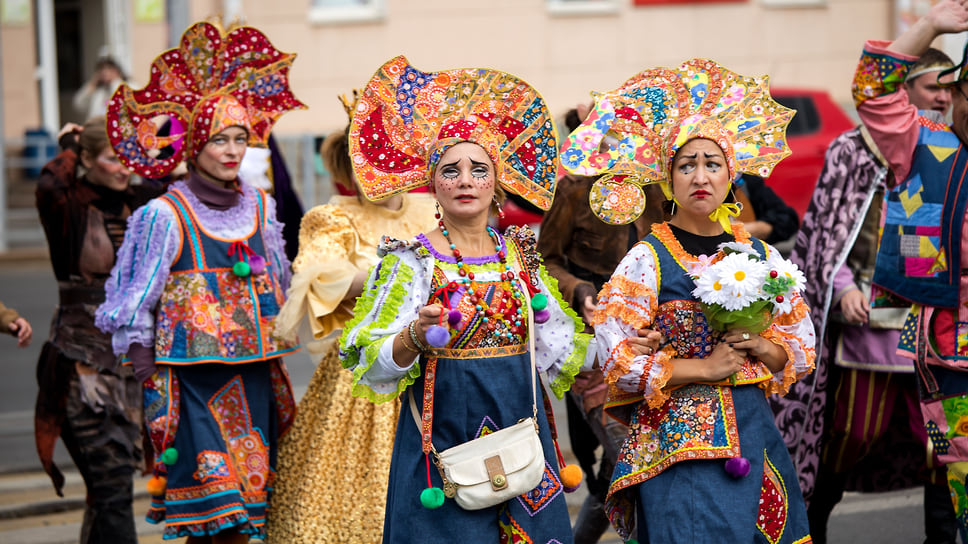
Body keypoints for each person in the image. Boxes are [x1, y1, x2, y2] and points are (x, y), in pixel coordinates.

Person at [338, 55, 598, 544]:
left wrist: (628, 344)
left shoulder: (519, 255)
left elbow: (560, 348)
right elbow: (368, 358)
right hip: (443, 455)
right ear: (432, 182)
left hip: (525, 446)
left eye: (478, 169)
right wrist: (413, 335)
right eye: (450, 169)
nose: (464, 180)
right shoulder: (412, 261)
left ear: (496, 183)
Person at [561, 59, 816, 542]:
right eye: (686, 165)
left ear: (731, 175)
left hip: (753, 431)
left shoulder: (759, 253)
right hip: (679, 441)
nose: (700, 175)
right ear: (668, 178)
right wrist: (704, 368)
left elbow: (799, 344)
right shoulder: (647, 257)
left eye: (712, 163)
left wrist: (761, 347)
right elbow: (616, 355)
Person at [94, 21, 305, 542]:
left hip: (254, 376)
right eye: (219, 140)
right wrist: (142, 363)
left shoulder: (261, 206)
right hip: (188, 381)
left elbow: (280, 282)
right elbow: (136, 297)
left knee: (247, 515)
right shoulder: (165, 215)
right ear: (193, 145)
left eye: (240, 139)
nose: (232, 151)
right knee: (215, 516)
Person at [773, 48, 957, 544]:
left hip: (940, 332)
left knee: (945, 446)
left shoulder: (953, 148)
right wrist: (844, 288)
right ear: (903, 93)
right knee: (853, 433)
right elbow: (827, 234)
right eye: (930, 87)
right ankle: (812, 524)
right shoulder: (859, 150)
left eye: (949, 87)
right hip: (870, 327)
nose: (941, 97)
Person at [265, 99, 438, 542]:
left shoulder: (433, 209)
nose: (385, 162)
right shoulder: (332, 218)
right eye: (372, 153)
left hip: (434, 369)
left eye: (394, 151)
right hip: (359, 376)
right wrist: (406, 269)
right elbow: (324, 280)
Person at [851, 0, 968, 538]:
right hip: (948, 358)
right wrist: (929, 27)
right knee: (961, 489)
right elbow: (872, 90)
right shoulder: (924, 145)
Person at [538, 104, 667, 544]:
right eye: (610, 136)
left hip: (651, 345)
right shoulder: (573, 192)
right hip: (591, 348)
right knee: (635, 460)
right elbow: (545, 262)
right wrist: (577, 289)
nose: (619, 145)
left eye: (627, 136)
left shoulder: (655, 192)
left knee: (627, 467)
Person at [33, 116, 163, 544]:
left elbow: (178, 179)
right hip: (81, 364)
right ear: (86, 160)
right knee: (111, 490)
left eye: (128, 155)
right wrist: (71, 142)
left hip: (132, 365)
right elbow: (51, 180)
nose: (124, 166)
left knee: (108, 491)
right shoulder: (66, 203)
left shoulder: (143, 199)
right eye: (112, 157)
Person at [72, 56, 126, 120]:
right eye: (102, 69)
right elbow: (78, 105)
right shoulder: (97, 91)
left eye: (109, 69)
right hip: (97, 127)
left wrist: (115, 81)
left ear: (116, 70)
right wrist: (92, 84)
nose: (105, 72)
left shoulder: (129, 85)